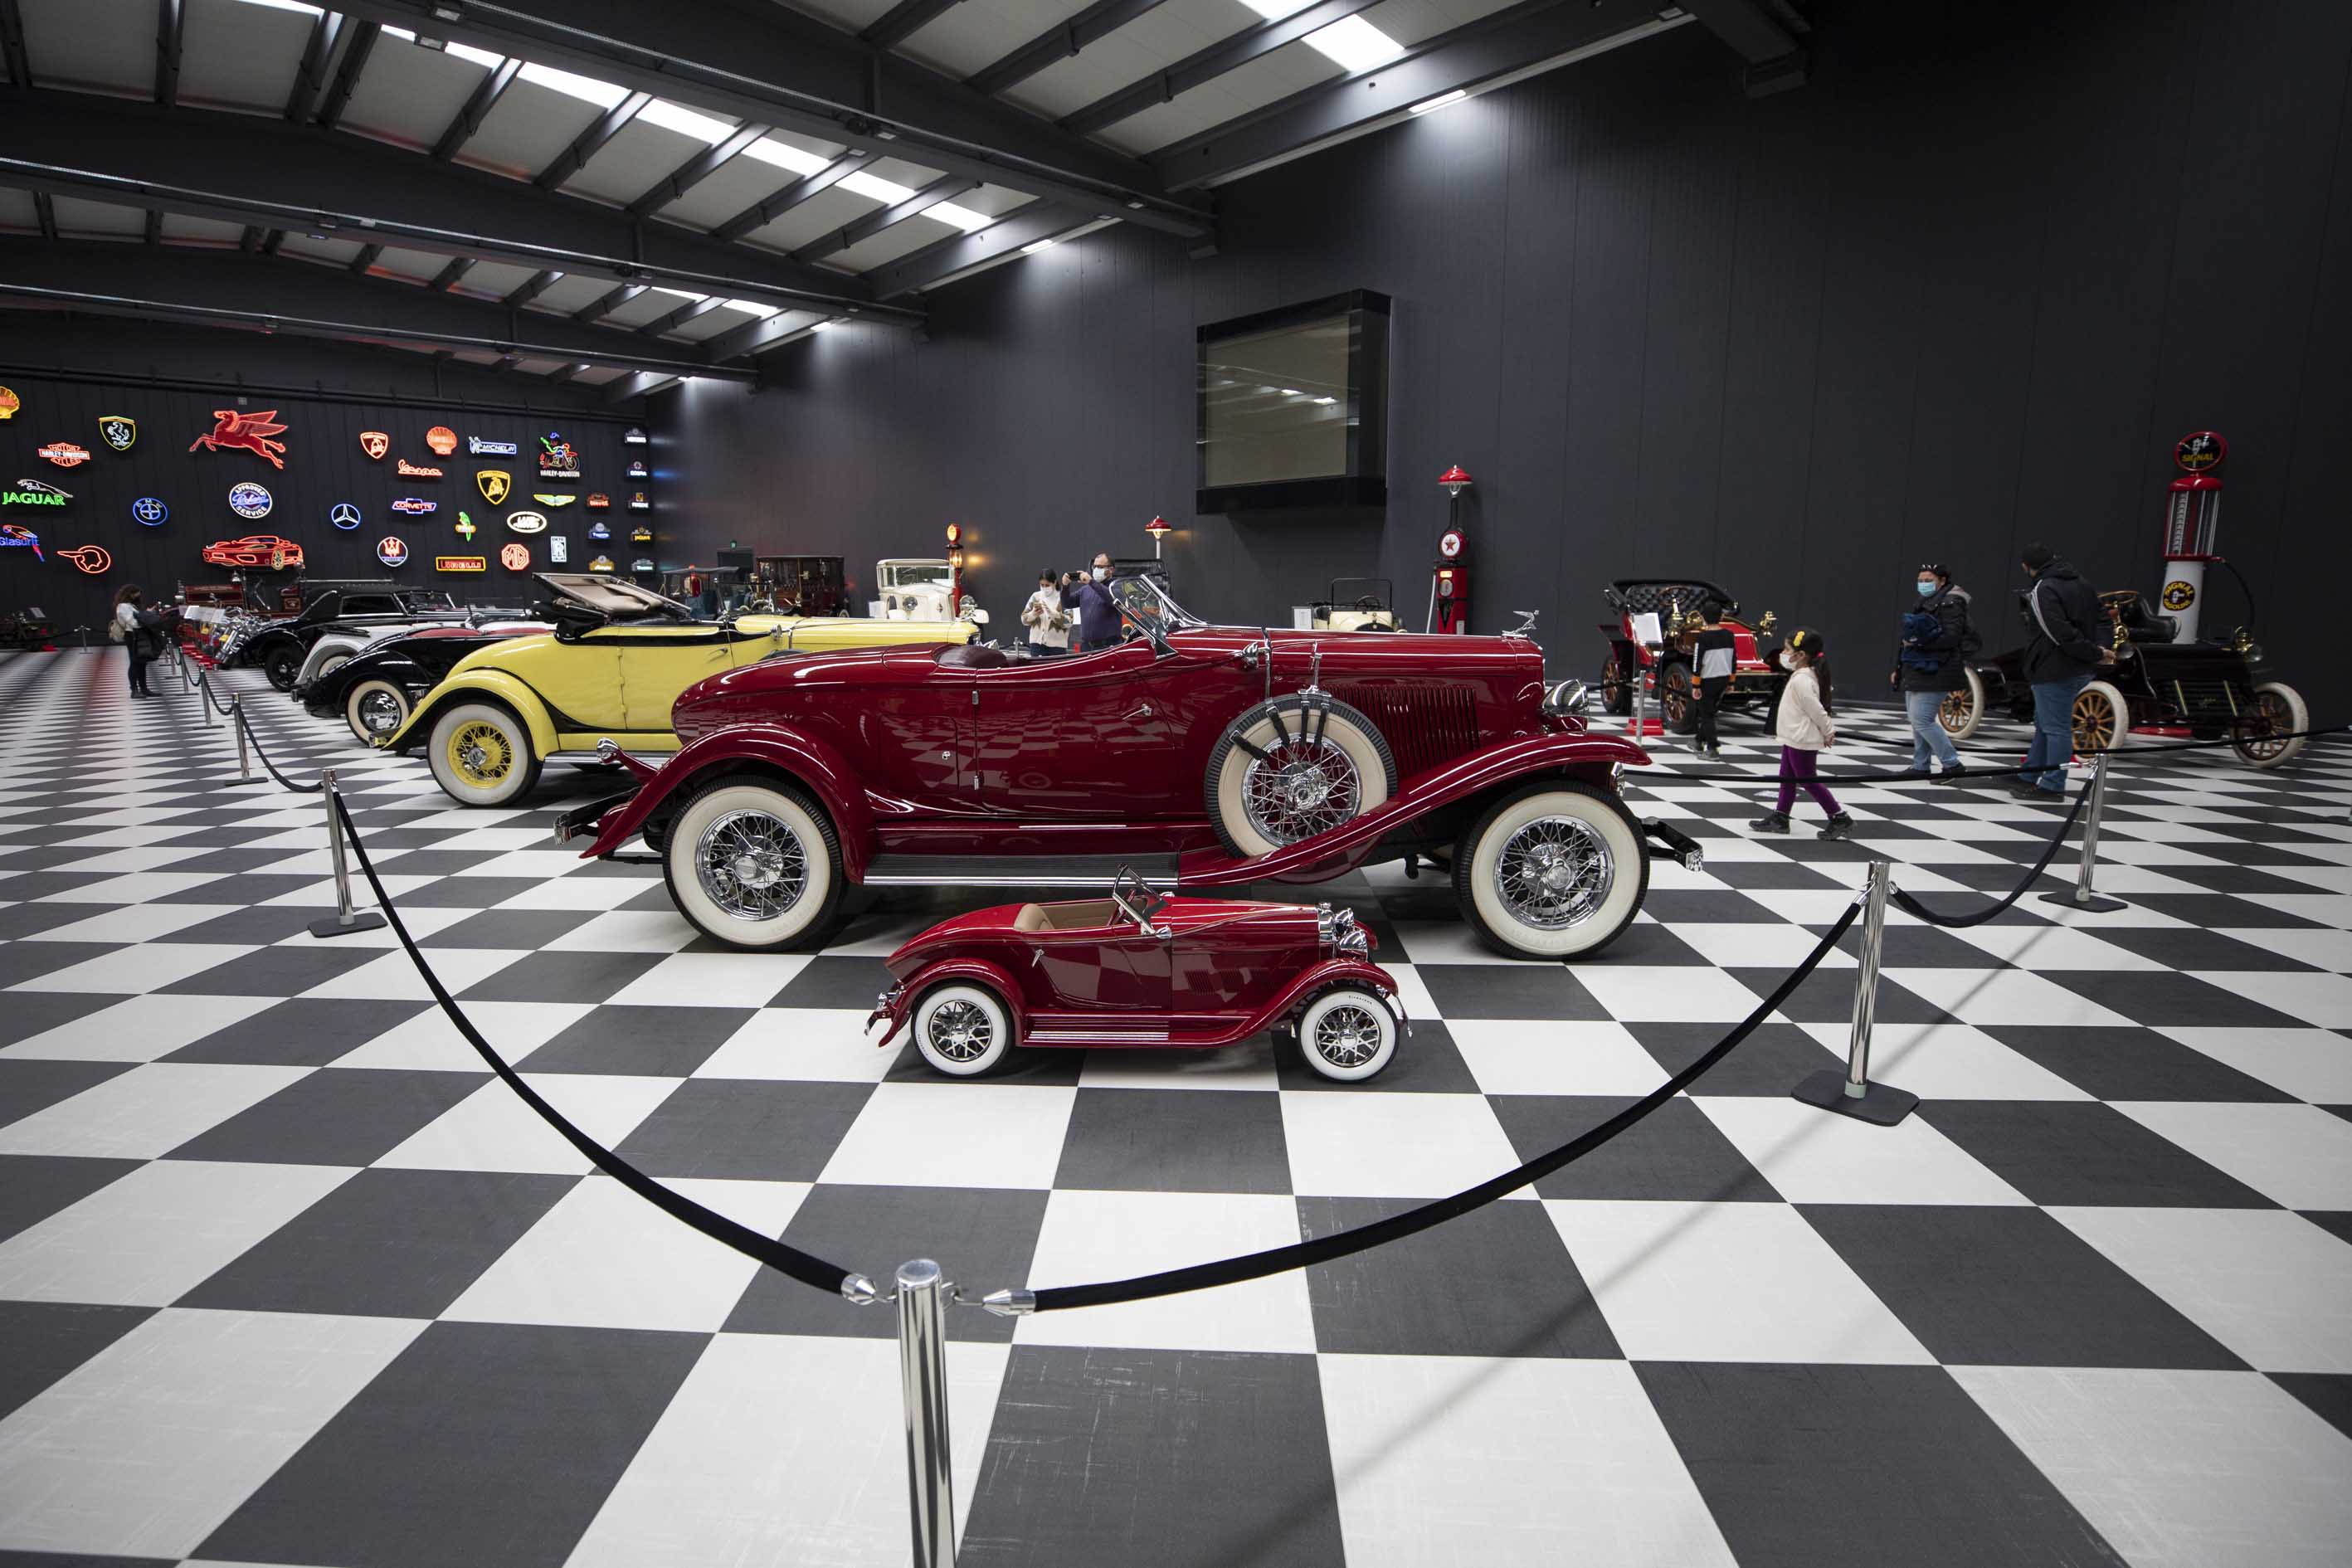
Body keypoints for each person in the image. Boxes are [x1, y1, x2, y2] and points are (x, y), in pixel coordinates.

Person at [2014, 543, 2111, 800]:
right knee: (2046, 724)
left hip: (2053, 667)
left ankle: (2053, 785)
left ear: (2026, 566)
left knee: (2055, 728)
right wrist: (2101, 649)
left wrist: (2095, 652)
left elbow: (2057, 632)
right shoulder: (2082, 583)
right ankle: (2030, 774)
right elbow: (2104, 619)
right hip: (2081, 667)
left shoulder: (2043, 589)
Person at [1752, 627, 1853, 840]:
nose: (1783, 653)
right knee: (1787, 777)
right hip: (1794, 736)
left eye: (1787, 649)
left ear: (1800, 655)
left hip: (1802, 738)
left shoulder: (1803, 680)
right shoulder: (1802, 675)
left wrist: (1828, 731)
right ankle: (1781, 817)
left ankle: (1839, 817)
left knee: (1808, 779)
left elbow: (1816, 710)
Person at [1892, 563, 1970, 778]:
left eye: (1928, 580)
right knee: (1917, 721)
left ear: (1942, 581)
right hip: (1918, 666)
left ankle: (1952, 764)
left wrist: (1919, 642)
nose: (1923, 584)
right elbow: (1907, 638)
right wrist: (1898, 668)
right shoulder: (1926, 601)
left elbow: (1952, 638)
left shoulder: (1951, 602)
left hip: (1937, 668)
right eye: (1921, 580)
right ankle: (1921, 765)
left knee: (1922, 720)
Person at [1687, 601, 1736, 757]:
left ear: (1702, 617)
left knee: (1707, 715)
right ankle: (1698, 741)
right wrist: (1731, 681)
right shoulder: (1729, 635)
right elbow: (1734, 659)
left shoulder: (1702, 637)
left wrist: (1695, 685)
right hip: (1723, 678)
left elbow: (1697, 661)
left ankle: (1712, 748)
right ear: (1721, 617)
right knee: (1709, 711)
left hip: (1707, 680)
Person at [1059, 551, 1122, 652]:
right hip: (1087, 647)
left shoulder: (1116, 586)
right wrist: (1065, 586)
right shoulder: (1086, 589)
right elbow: (1067, 603)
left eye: (1100, 567)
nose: (1096, 569)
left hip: (1108, 646)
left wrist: (1091, 581)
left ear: (1111, 569)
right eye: (1095, 566)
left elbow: (1111, 598)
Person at [113, 584, 158, 698]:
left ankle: (144, 688)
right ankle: (134, 690)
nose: (138, 597)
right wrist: (147, 615)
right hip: (132, 635)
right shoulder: (123, 606)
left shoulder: (131, 605)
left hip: (139, 634)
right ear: (130, 594)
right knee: (135, 662)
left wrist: (146, 614)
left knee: (142, 662)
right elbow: (133, 623)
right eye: (136, 594)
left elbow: (138, 619)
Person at [1021, 567, 1070, 656]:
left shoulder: (1063, 597)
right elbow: (1023, 620)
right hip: (1036, 645)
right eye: (1042, 585)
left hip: (1057, 647)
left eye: (1047, 585)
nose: (1044, 588)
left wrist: (1052, 613)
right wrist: (1033, 614)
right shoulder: (1035, 596)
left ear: (1055, 582)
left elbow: (1069, 623)